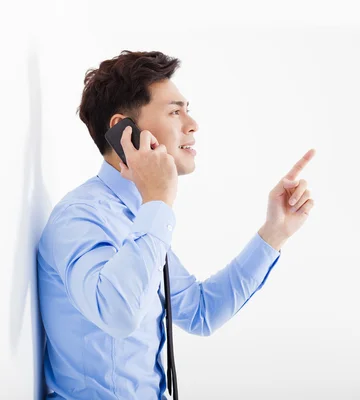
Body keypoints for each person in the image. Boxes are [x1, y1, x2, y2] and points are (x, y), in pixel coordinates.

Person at [36, 50, 315, 399]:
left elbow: (200, 312)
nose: (192, 124)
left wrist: (276, 231)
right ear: (123, 130)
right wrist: (157, 200)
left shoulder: (138, 217)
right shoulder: (81, 217)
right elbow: (118, 314)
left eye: (188, 109)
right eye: (174, 111)